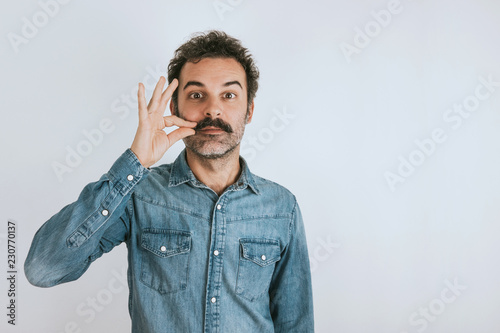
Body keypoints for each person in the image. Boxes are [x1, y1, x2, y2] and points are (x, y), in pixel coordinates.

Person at [25, 30, 314, 333]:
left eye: (228, 95)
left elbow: (296, 323)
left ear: (249, 110)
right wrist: (135, 161)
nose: (212, 109)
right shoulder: (139, 193)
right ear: (175, 109)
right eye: (196, 95)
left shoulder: (282, 207)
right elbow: (42, 269)